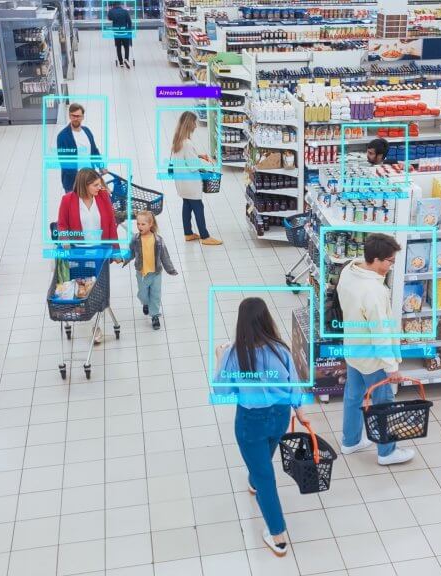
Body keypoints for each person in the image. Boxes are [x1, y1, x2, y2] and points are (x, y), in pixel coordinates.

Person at [215, 297, 308, 557]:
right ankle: (253, 480)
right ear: (267, 319)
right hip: (280, 416)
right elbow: (294, 383)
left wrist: (219, 357)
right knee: (262, 463)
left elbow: (221, 391)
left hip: (250, 422)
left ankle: (278, 535)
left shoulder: (234, 354)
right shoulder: (280, 349)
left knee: (266, 477)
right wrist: (300, 411)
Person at [335, 233, 415, 466]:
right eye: (390, 261)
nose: (391, 266)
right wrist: (391, 368)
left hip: (353, 349)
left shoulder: (349, 271)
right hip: (373, 359)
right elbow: (380, 333)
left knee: (353, 396)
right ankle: (387, 452)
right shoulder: (373, 291)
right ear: (377, 259)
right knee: (383, 404)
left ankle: (350, 441)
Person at [56, 168, 119, 343]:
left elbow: (111, 224)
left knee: (98, 289)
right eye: (95, 185)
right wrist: (65, 239)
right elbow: (62, 225)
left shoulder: (103, 196)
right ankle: (83, 315)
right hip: (79, 253)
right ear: (85, 185)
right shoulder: (68, 200)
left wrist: (115, 250)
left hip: (99, 252)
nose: (100, 187)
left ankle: (96, 326)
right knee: (83, 288)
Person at [170, 111, 222, 246]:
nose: (195, 125)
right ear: (189, 124)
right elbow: (193, 166)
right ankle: (205, 236)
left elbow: (183, 158)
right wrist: (203, 166)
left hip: (181, 182)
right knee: (198, 207)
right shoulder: (187, 143)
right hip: (191, 183)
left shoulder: (177, 140)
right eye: (194, 122)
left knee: (187, 205)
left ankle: (188, 233)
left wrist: (198, 155)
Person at [121, 211, 177, 330]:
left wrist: (170, 269)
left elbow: (165, 256)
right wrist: (123, 259)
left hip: (156, 273)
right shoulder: (135, 239)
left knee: (156, 295)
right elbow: (131, 253)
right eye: (138, 224)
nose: (140, 226)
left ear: (150, 224)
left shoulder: (158, 240)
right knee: (143, 294)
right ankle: (145, 303)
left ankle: (154, 316)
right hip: (141, 273)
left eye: (143, 224)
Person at [57, 103, 104, 193]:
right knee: (75, 202)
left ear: (82, 117)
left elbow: (94, 151)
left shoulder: (87, 131)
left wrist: (101, 166)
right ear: (69, 116)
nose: (76, 119)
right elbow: (64, 162)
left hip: (90, 179)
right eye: (73, 116)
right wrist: (81, 178)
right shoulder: (62, 136)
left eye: (78, 116)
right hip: (73, 183)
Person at [108, 2, 135, 69]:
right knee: (126, 46)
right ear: (120, 5)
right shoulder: (125, 11)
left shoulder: (111, 11)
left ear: (113, 5)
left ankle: (121, 63)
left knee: (118, 47)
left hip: (116, 32)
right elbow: (129, 22)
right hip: (125, 31)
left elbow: (109, 18)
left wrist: (110, 11)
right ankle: (126, 59)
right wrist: (129, 31)